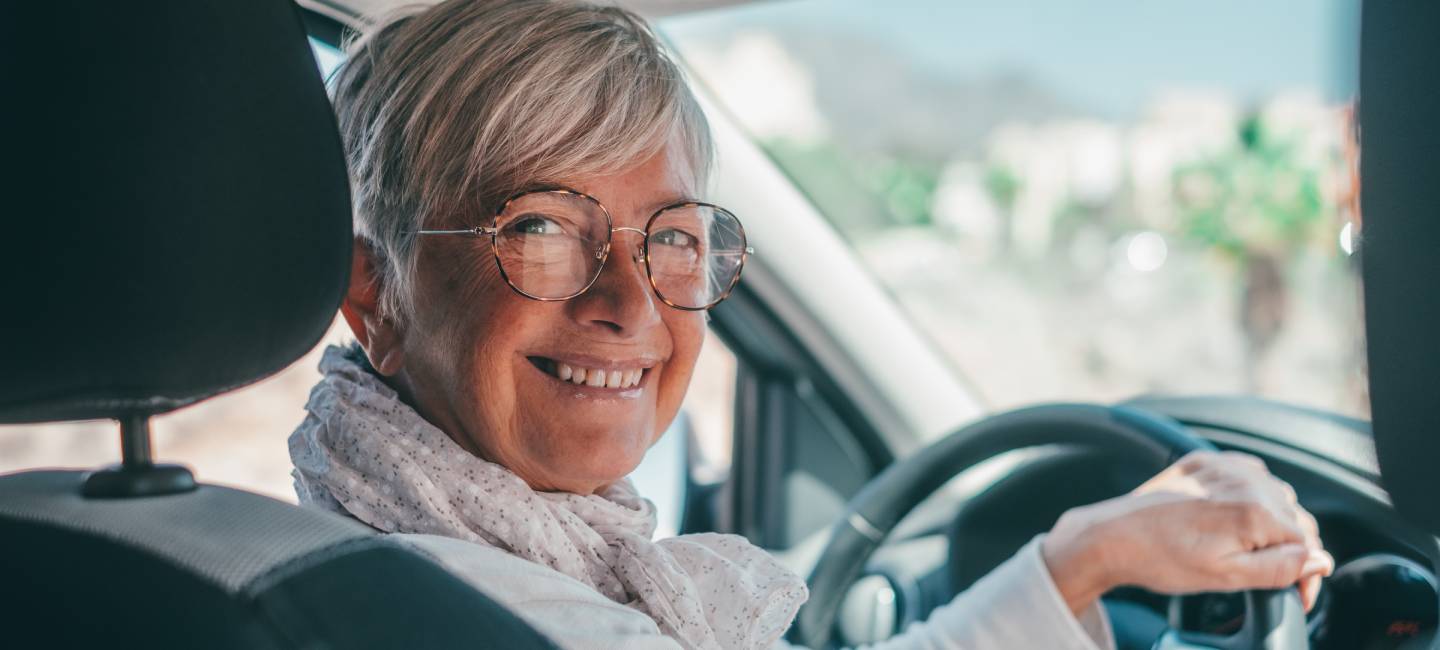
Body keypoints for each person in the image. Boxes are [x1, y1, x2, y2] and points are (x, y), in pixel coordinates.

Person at [289, 1, 1332, 647]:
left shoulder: (296, 558)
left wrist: (1085, 556)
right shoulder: (494, 617)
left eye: (675, 237)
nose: (632, 300)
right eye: (546, 227)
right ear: (377, 295)